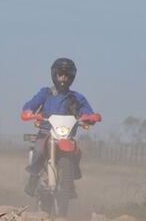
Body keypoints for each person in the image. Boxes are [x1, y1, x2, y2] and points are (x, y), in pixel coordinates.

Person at [20, 57, 99, 197]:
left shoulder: (76, 97)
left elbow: (88, 111)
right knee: (38, 150)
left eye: (67, 76)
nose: (63, 78)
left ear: (72, 77)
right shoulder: (46, 93)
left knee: (77, 152)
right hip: (46, 131)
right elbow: (31, 104)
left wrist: (91, 117)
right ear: (54, 75)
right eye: (60, 75)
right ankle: (33, 178)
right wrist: (29, 111)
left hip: (66, 135)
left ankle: (68, 182)